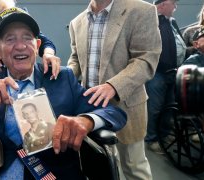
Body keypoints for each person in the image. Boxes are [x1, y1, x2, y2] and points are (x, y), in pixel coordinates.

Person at [0, 7, 127, 179]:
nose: (20, 46)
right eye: (9, 39)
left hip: (54, 172)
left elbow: (114, 113)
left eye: (27, 38)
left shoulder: (62, 78)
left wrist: (86, 121)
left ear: (36, 46)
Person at [67, 0, 161, 179]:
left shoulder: (141, 11)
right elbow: (76, 59)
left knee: (134, 167)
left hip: (127, 105)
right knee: (103, 166)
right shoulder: (77, 22)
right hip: (92, 110)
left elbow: (146, 59)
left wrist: (114, 86)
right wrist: (63, 75)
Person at [145, 0, 186, 155]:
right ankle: (152, 139)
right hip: (157, 73)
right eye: (173, 4)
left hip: (173, 72)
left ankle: (164, 135)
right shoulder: (150, 20)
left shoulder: (172, 22)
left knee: (169, 106)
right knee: (154, 108)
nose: (175, 7)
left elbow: (178, 42)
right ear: (162, 5)